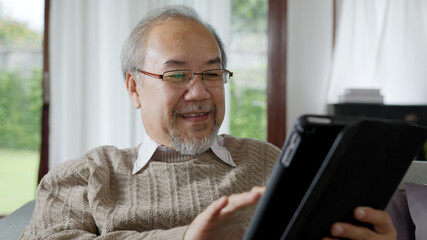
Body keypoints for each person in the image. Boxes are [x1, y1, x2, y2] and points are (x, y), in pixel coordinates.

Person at [20, 6, 397, 240]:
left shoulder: (269, 161)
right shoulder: (85, 177)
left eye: (212, 74)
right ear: (134, 88)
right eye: (177, 76)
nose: (199, 92)